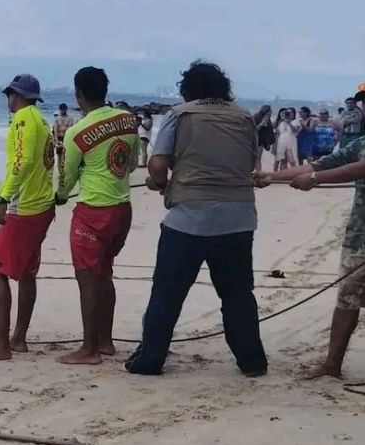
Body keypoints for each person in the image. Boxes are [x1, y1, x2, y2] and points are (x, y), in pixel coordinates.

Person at [125, 61, 268, 377]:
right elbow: (250, 163)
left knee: (167, 293)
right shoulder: (244, 116)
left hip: (188, 218)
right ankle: (252, 362)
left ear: (187, 88)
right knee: (237, 295)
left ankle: (150, 360)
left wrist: (160, 183)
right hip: (238, 218)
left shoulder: (180, 114)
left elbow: (158, 164)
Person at [255, 136, 365, 380]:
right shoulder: (361, 143)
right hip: (359, 236)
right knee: (348, 297)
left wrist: (316, 180)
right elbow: (320, 164)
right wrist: (272, 177)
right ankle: (332, 365)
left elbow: (358, 168)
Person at [54, 67, 139, 365]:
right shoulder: (128, 121)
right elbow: (131, 164)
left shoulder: (77, 132)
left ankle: (88, 349)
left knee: (87, 278)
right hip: (123, 209)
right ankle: (106, 341)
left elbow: (66, 179)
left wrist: (59, 197)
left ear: (78, 94)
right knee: (105, 273)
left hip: (93, 212)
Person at [0, 74, 55, 362]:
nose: (9, 101)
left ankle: (1, 345)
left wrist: (4, 202)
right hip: (40, 204)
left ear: (15, 95)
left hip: (26, 207)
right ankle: (18, 338)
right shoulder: (42, 121)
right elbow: (20, 166)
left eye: (10, 95)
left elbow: (22, 163)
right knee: (27, 273)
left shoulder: (23, 119)